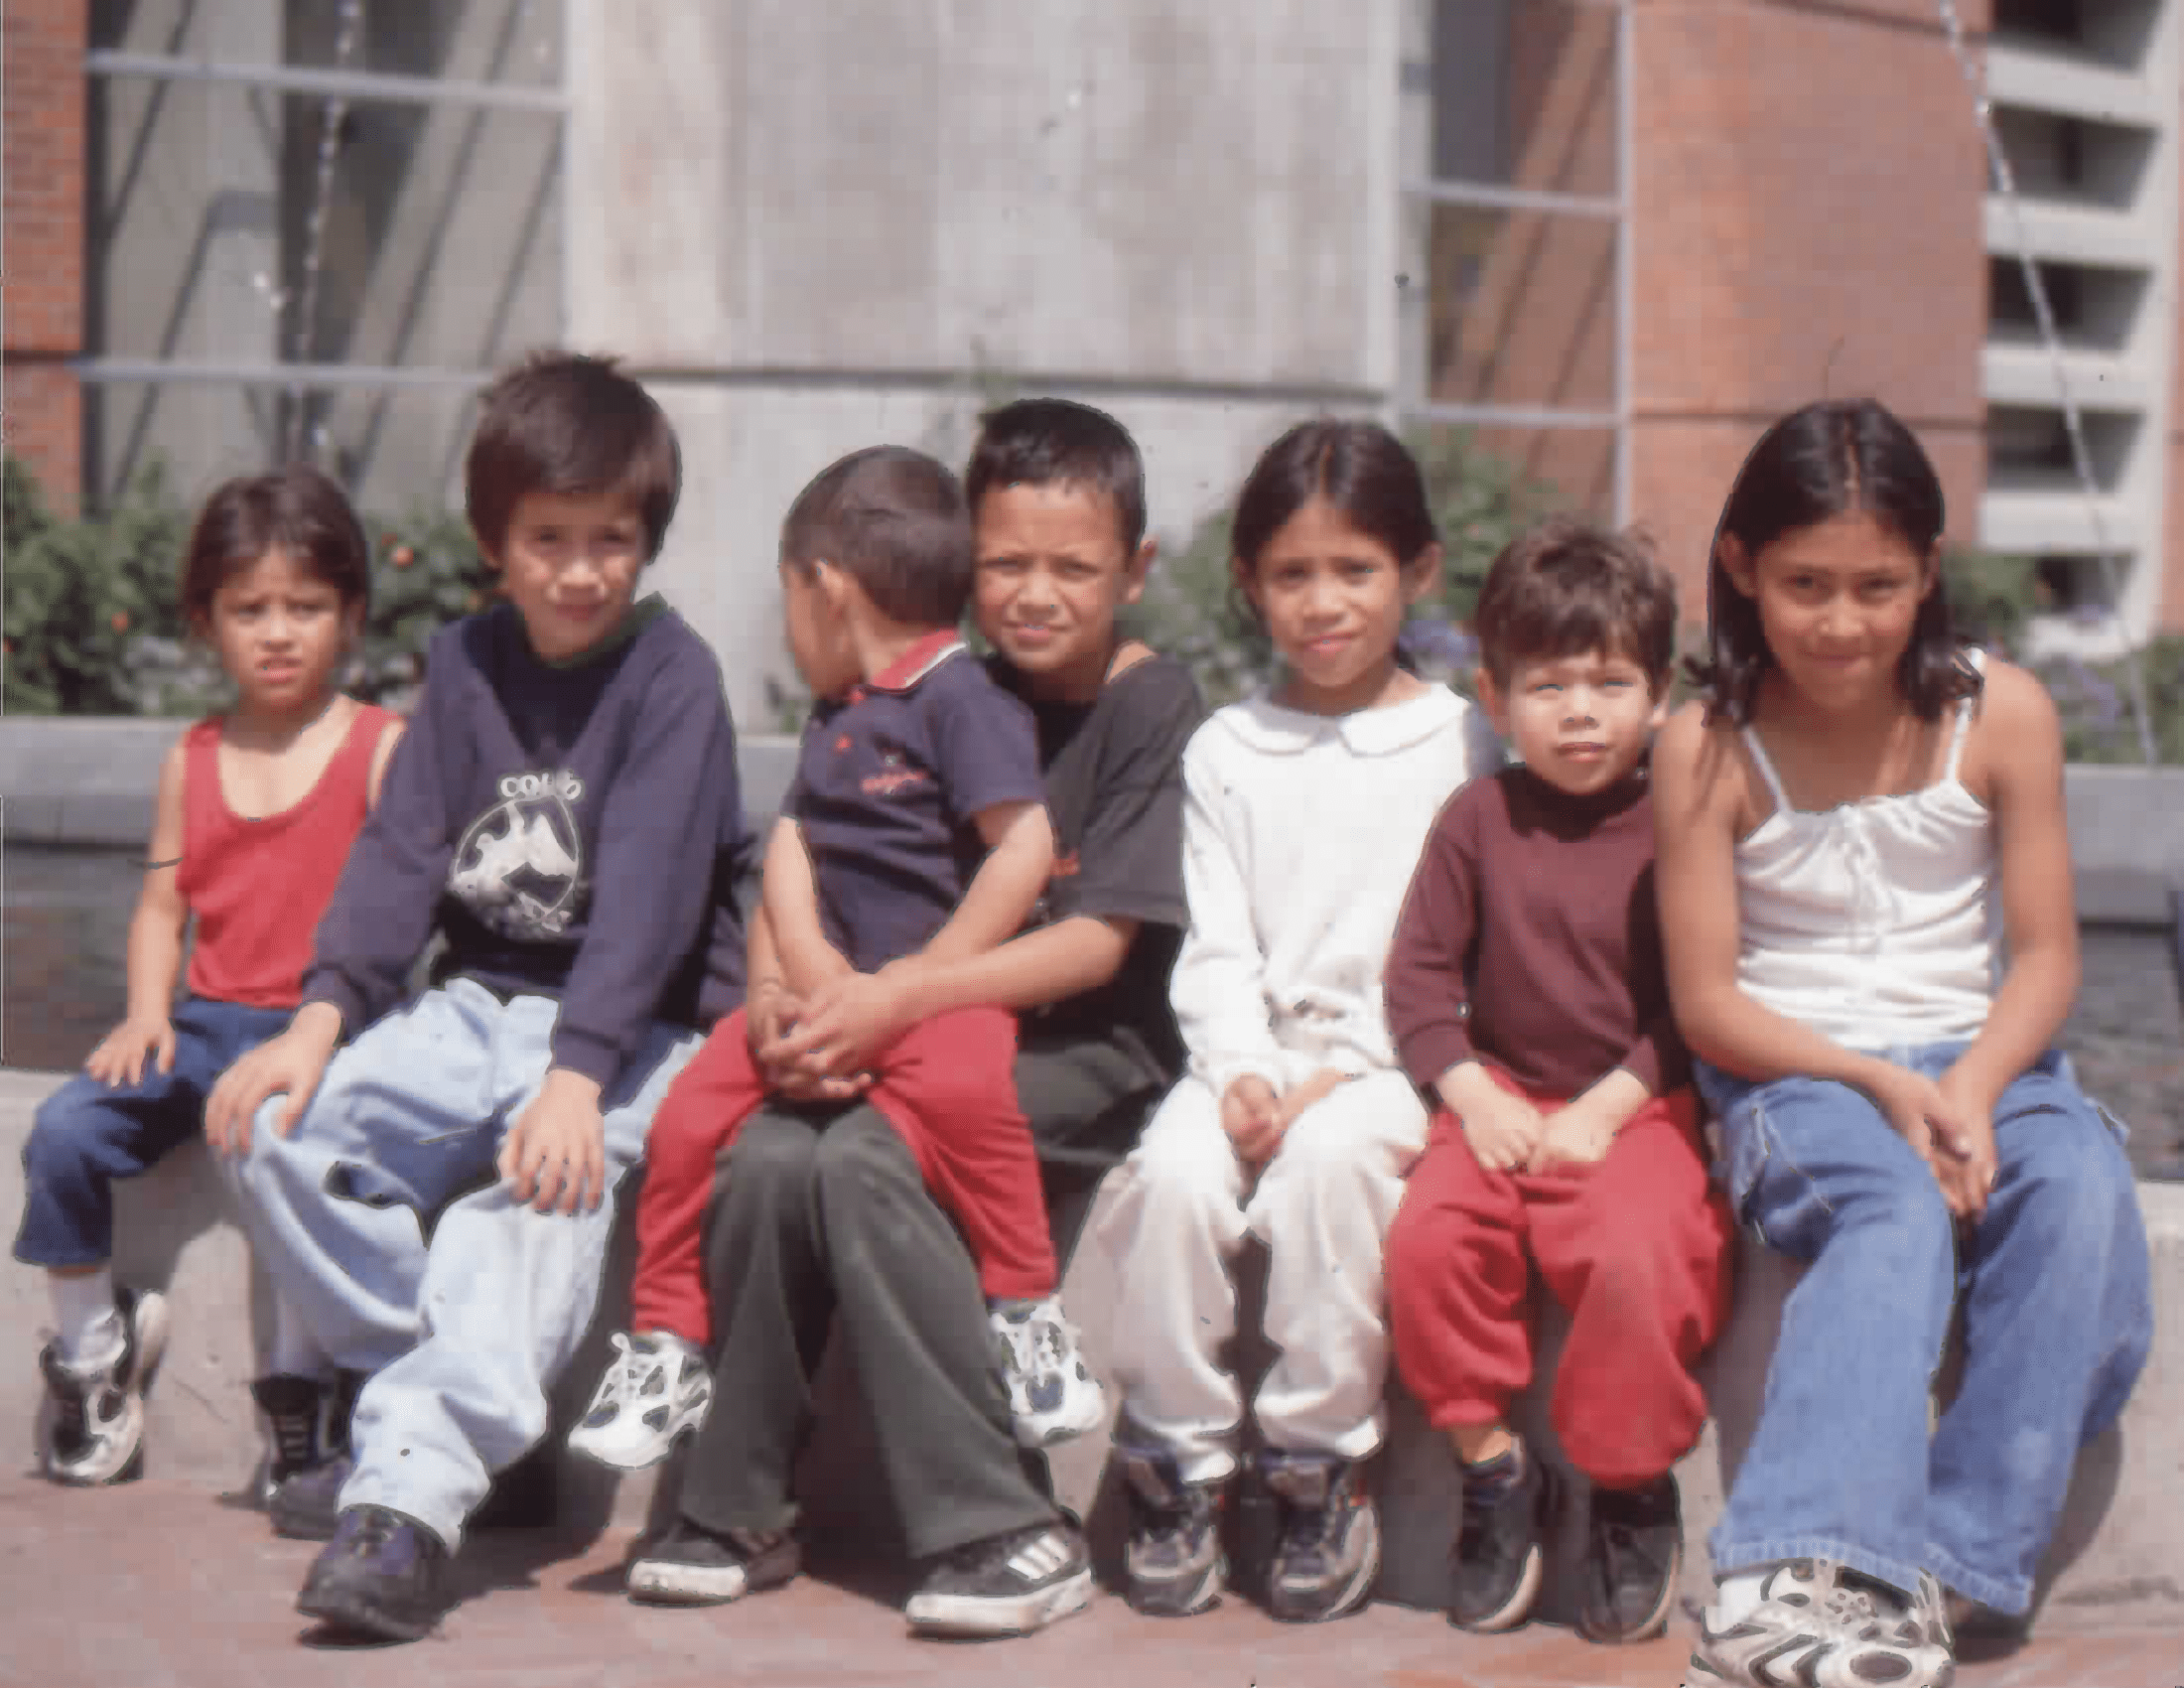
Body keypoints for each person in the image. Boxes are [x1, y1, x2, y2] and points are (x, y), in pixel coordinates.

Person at [618, 396, 1202, 1640]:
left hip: (1074, 1044)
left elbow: (1097, 939)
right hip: (905, 1031)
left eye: (1072, 567)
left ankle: (1004, 1520)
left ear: (1134, 571)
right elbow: (797, 852)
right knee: (772, 1153)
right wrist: (784, 997)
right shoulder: (929, 689)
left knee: (876, 1159)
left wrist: (894, 1000)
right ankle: (735, 1502)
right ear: (958, 561)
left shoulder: (1152, 708)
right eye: (1006, 563)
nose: (1034, 593)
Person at [202, 352, 754, 1646]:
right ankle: (449, 1404)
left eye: (609, 540)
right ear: (494, 543)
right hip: (480, 1005)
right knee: (274, 1131)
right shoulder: (463, 664)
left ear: (646, 541)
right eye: (548, 539)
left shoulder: (673, 681)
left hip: (634, 1032)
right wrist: (319, 1018)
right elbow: (402, 852)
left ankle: (399, 1510)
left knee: (534, 1200)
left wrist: (576, 1082)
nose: (579, 569)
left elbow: (653, 905)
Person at [1652, 399, 2153, 1688]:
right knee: (1893, 1209)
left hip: (1985, 1055)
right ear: (1742, 568)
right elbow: (1709, 1003)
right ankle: (1791, 1576)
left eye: (1878, 586)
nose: (1840, 621)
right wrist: (1879, 1083)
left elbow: (2045, 955)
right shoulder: (1705, 744)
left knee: (2085, 1189)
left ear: (1929, 574)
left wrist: (1973, 1086)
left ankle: (1949, 1570)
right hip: (1798, 1071)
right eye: (1804, 584)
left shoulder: (2008, 713)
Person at [567, 443, 1105, 1473]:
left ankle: (1027, 1314)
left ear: (825, 588)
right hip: (824, 995)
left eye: (785, 599)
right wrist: (787, 979)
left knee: (969, 1103)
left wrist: (915, 986)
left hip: (930, 1000)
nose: (785, 626)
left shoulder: (963, 699)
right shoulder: (837, 715)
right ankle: (669, 1343)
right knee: (685, 1118)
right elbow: (792, 846)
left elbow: (1023, 847)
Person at [1094, 418, 1500, 1624]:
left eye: (1355, 569)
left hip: (1395, 1059)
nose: (1324, 604)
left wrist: (1350, 1071)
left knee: (1330, 1174)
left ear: (1418, 572)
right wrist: (1238, 1071)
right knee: (1169, 1176)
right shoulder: (1228, 748)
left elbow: (1468, 951)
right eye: (1291, 574)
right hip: (1249, 1054)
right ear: (1248, 583)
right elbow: (1215, 943)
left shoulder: (1463, 743)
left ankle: (1321, 1461)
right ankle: (1179, 1462)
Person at [1380, 519, 1733, 1646]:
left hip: (1634, 1105)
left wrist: (1610, 1105)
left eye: (1610, 681)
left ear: (1661, 690)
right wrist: (1471, 1092)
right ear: (1493, 694)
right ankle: (1492, 1470)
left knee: (1639, 1257)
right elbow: (1419, 980)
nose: (1579, 711)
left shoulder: (1677, 822)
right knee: (1429, 1244)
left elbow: (1699, 999)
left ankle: (1630, 1484)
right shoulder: (1478, 819)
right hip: (1501, 1100)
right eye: (1546, 685)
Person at [15, 465, 402, 1490]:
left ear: (351, 614)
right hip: (201, 1026)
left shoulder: (377, 750)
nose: (278, 632)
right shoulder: (192, 759)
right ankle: (93, 1347)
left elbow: (408, 915)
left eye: (306, 607)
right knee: (60, 1130)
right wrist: (146, 1009)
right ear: (205, 622)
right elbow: (160, 906)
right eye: (250, 609)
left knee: (294, 1159)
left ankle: (309, 1389)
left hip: (323, 1037)